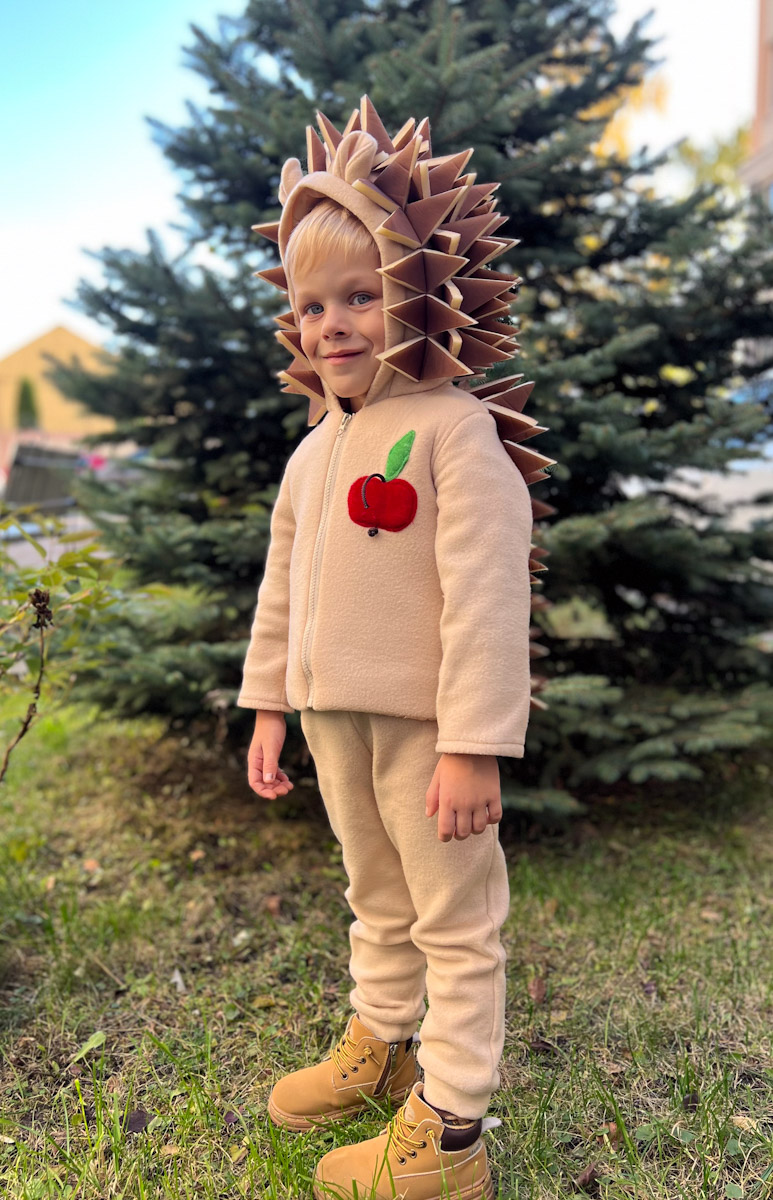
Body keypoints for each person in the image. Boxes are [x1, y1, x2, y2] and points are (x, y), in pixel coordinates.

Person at [237, 96, 553, 1200]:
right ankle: (381, 1041)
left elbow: (485, 596)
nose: (334, 324)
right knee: (373, 891)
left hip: (429, 731)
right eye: (313, 304)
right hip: (334, 720)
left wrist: (473, 742)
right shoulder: (311, 453)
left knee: (453, 918)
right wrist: (269, 703)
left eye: (362, 296)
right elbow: (282, 585)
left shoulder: (455, 431)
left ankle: (452, 1127)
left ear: (418, 294)